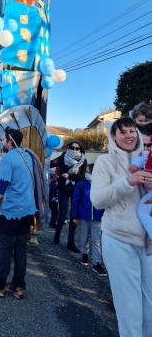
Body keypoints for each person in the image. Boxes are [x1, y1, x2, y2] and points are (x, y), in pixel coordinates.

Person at [91, 117, 152, 337]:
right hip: (118, 239)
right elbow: (97, 199)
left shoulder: (148, 158)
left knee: (150, 308)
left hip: (148, 242)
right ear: (113, 136)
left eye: (132, 131)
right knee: (129, 309)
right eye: (122, 131)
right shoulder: (105, 162)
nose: (128, 135)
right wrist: (128, 181)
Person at [0, 127, 42, 299]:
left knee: (5, 248)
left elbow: (2, 186)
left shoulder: (8, 160)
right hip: (28, 211)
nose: (1, 142)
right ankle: (18, 286)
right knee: (21, 248)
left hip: (11, 212)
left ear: (9, 141)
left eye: (3, 139)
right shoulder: (27, 155)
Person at [50, 141, 87, 252]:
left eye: (77, 148)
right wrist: (43, 159)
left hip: (76, 191)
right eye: (72, 147)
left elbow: (82, 176)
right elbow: (52, 163)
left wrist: (69, 175)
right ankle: (57, 235)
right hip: (63, 190)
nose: (74, 150)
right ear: (69, 148)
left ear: (80, 149)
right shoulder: (64, 156)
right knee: (62, 215)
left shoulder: (83, 160)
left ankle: (70, 242)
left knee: (73, 217)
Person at [72, 163, 106, 276]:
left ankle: (96, 263)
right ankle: (84, 254)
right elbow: (75, 200)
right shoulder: (80, 184)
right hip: (84, 215)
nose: (87, 174)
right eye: (86, 172)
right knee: (84, 236)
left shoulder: (102, 184)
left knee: (96, 239)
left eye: (89, 171)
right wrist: (74, 216)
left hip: (97, 215)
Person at [129, 134, 152, 255]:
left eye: (149, 145)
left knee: (142, 211)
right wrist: (134, 164)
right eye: (145, 145)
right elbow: (140, 160)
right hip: (149, 190)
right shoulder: (149, 157)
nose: (147, 148)